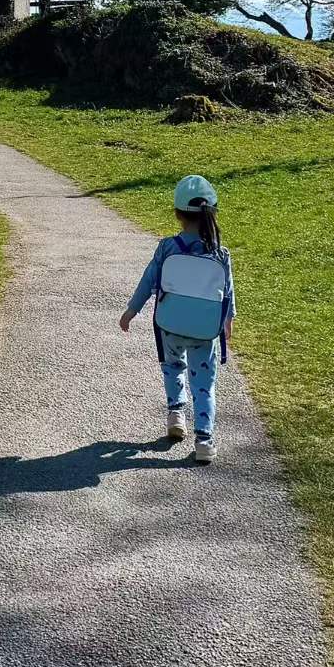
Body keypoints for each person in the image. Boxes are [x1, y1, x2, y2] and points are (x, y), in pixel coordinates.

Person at [119, 174, 235, 464]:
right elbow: (228, 294)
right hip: (205, 330)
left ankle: (176, 415)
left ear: (177, 214)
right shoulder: (220, 253)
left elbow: (148, 281)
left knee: (172, 367)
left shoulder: (167, 247)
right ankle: (205, 441)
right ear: (212, 213)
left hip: (169, 324)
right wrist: (227, 322)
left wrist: (132, 310)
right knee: (205, 384)